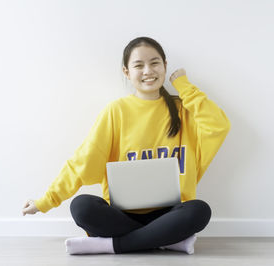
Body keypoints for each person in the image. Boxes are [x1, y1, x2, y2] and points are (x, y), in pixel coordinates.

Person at [22, 36, 231, 255]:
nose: (148, 71)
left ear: (165, 66)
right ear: (126, 72)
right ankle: (165, 240)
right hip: (123, 214)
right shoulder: (116, 111)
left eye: (154, 63)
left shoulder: (184, 108)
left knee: (199, 211)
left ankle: (114, 245)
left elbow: (219, 126)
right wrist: (45, 201)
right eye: (139, 65)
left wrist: (184, 86)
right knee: (81, 206)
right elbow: (83, 161)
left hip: (170, 213)